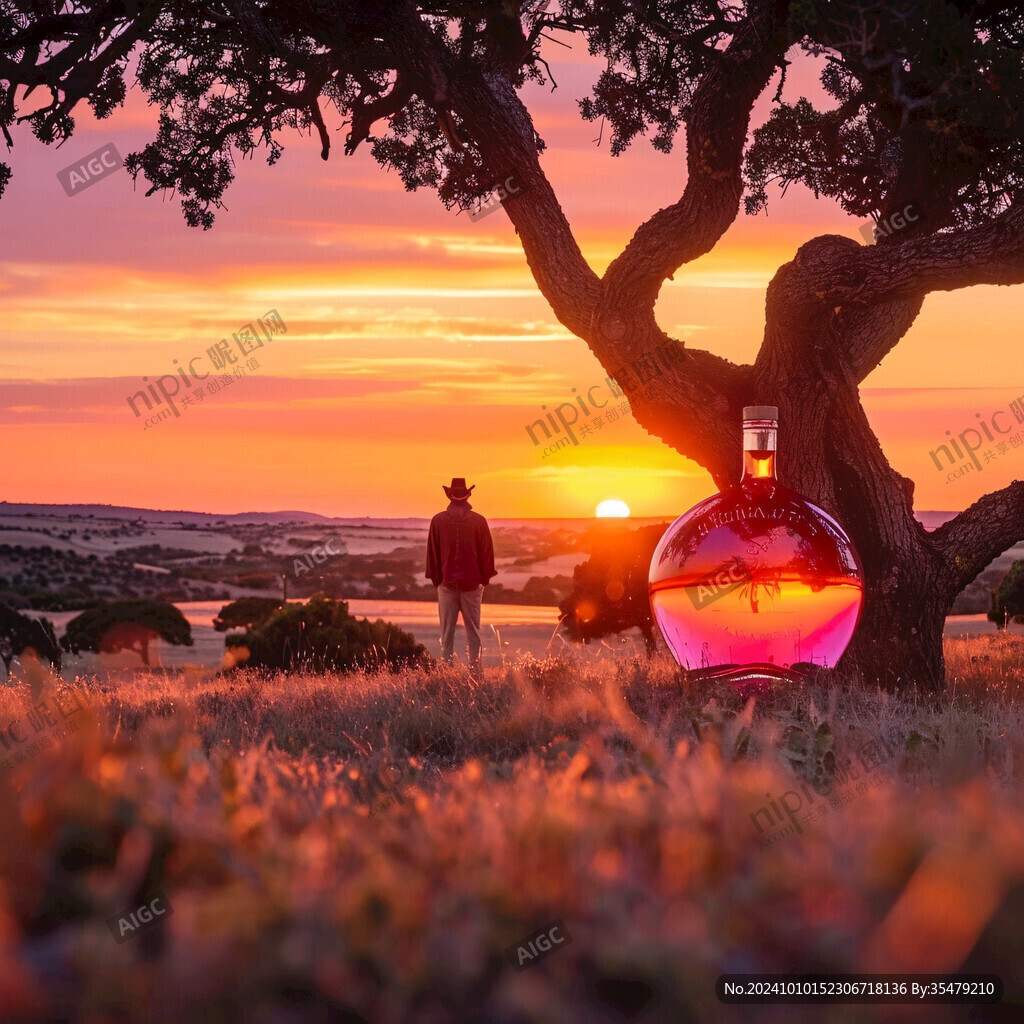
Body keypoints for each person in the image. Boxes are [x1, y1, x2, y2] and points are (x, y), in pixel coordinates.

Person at [425, 477, 496, 674]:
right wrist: (484, 580)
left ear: (450, 496)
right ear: (466, 496)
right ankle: (476, 673)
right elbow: (487, 554)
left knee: (446, 634)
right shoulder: (479, 521)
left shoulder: (438, 520)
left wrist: (437, 581)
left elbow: (432, 554)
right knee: (473, 633)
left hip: (448, 585)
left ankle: (447, 673)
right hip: (469, 585)